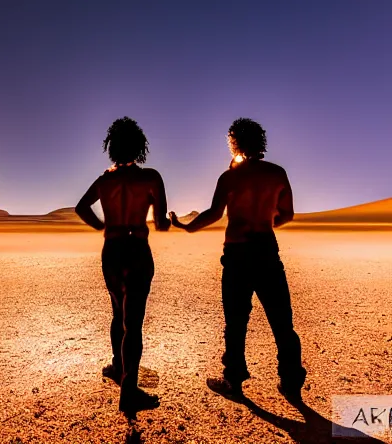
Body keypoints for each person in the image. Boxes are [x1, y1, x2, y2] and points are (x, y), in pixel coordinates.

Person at [170, 118, 307, 400]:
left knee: (236, 320)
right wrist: (266, 223)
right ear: (261, 141)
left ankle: (233, 378)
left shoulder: (229, 177)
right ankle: (291, 380)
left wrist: (186, 227)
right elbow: (288, 214)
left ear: (234, 142)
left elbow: (214, 214)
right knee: (281, 319)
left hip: (237, 255)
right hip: (266, 250)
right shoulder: (277, 173)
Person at [75, 117, 171, 415]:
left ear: (112, 148)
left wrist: (103, 225)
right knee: (135, 322)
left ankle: (118, 367)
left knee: (118, 312)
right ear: (140, 147)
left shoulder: (105, 180)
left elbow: (81, 207)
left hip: (113, 250)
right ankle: (129, 391)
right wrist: (168, 222)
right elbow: (160, 223)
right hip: (138, 250)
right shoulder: (151, 177)